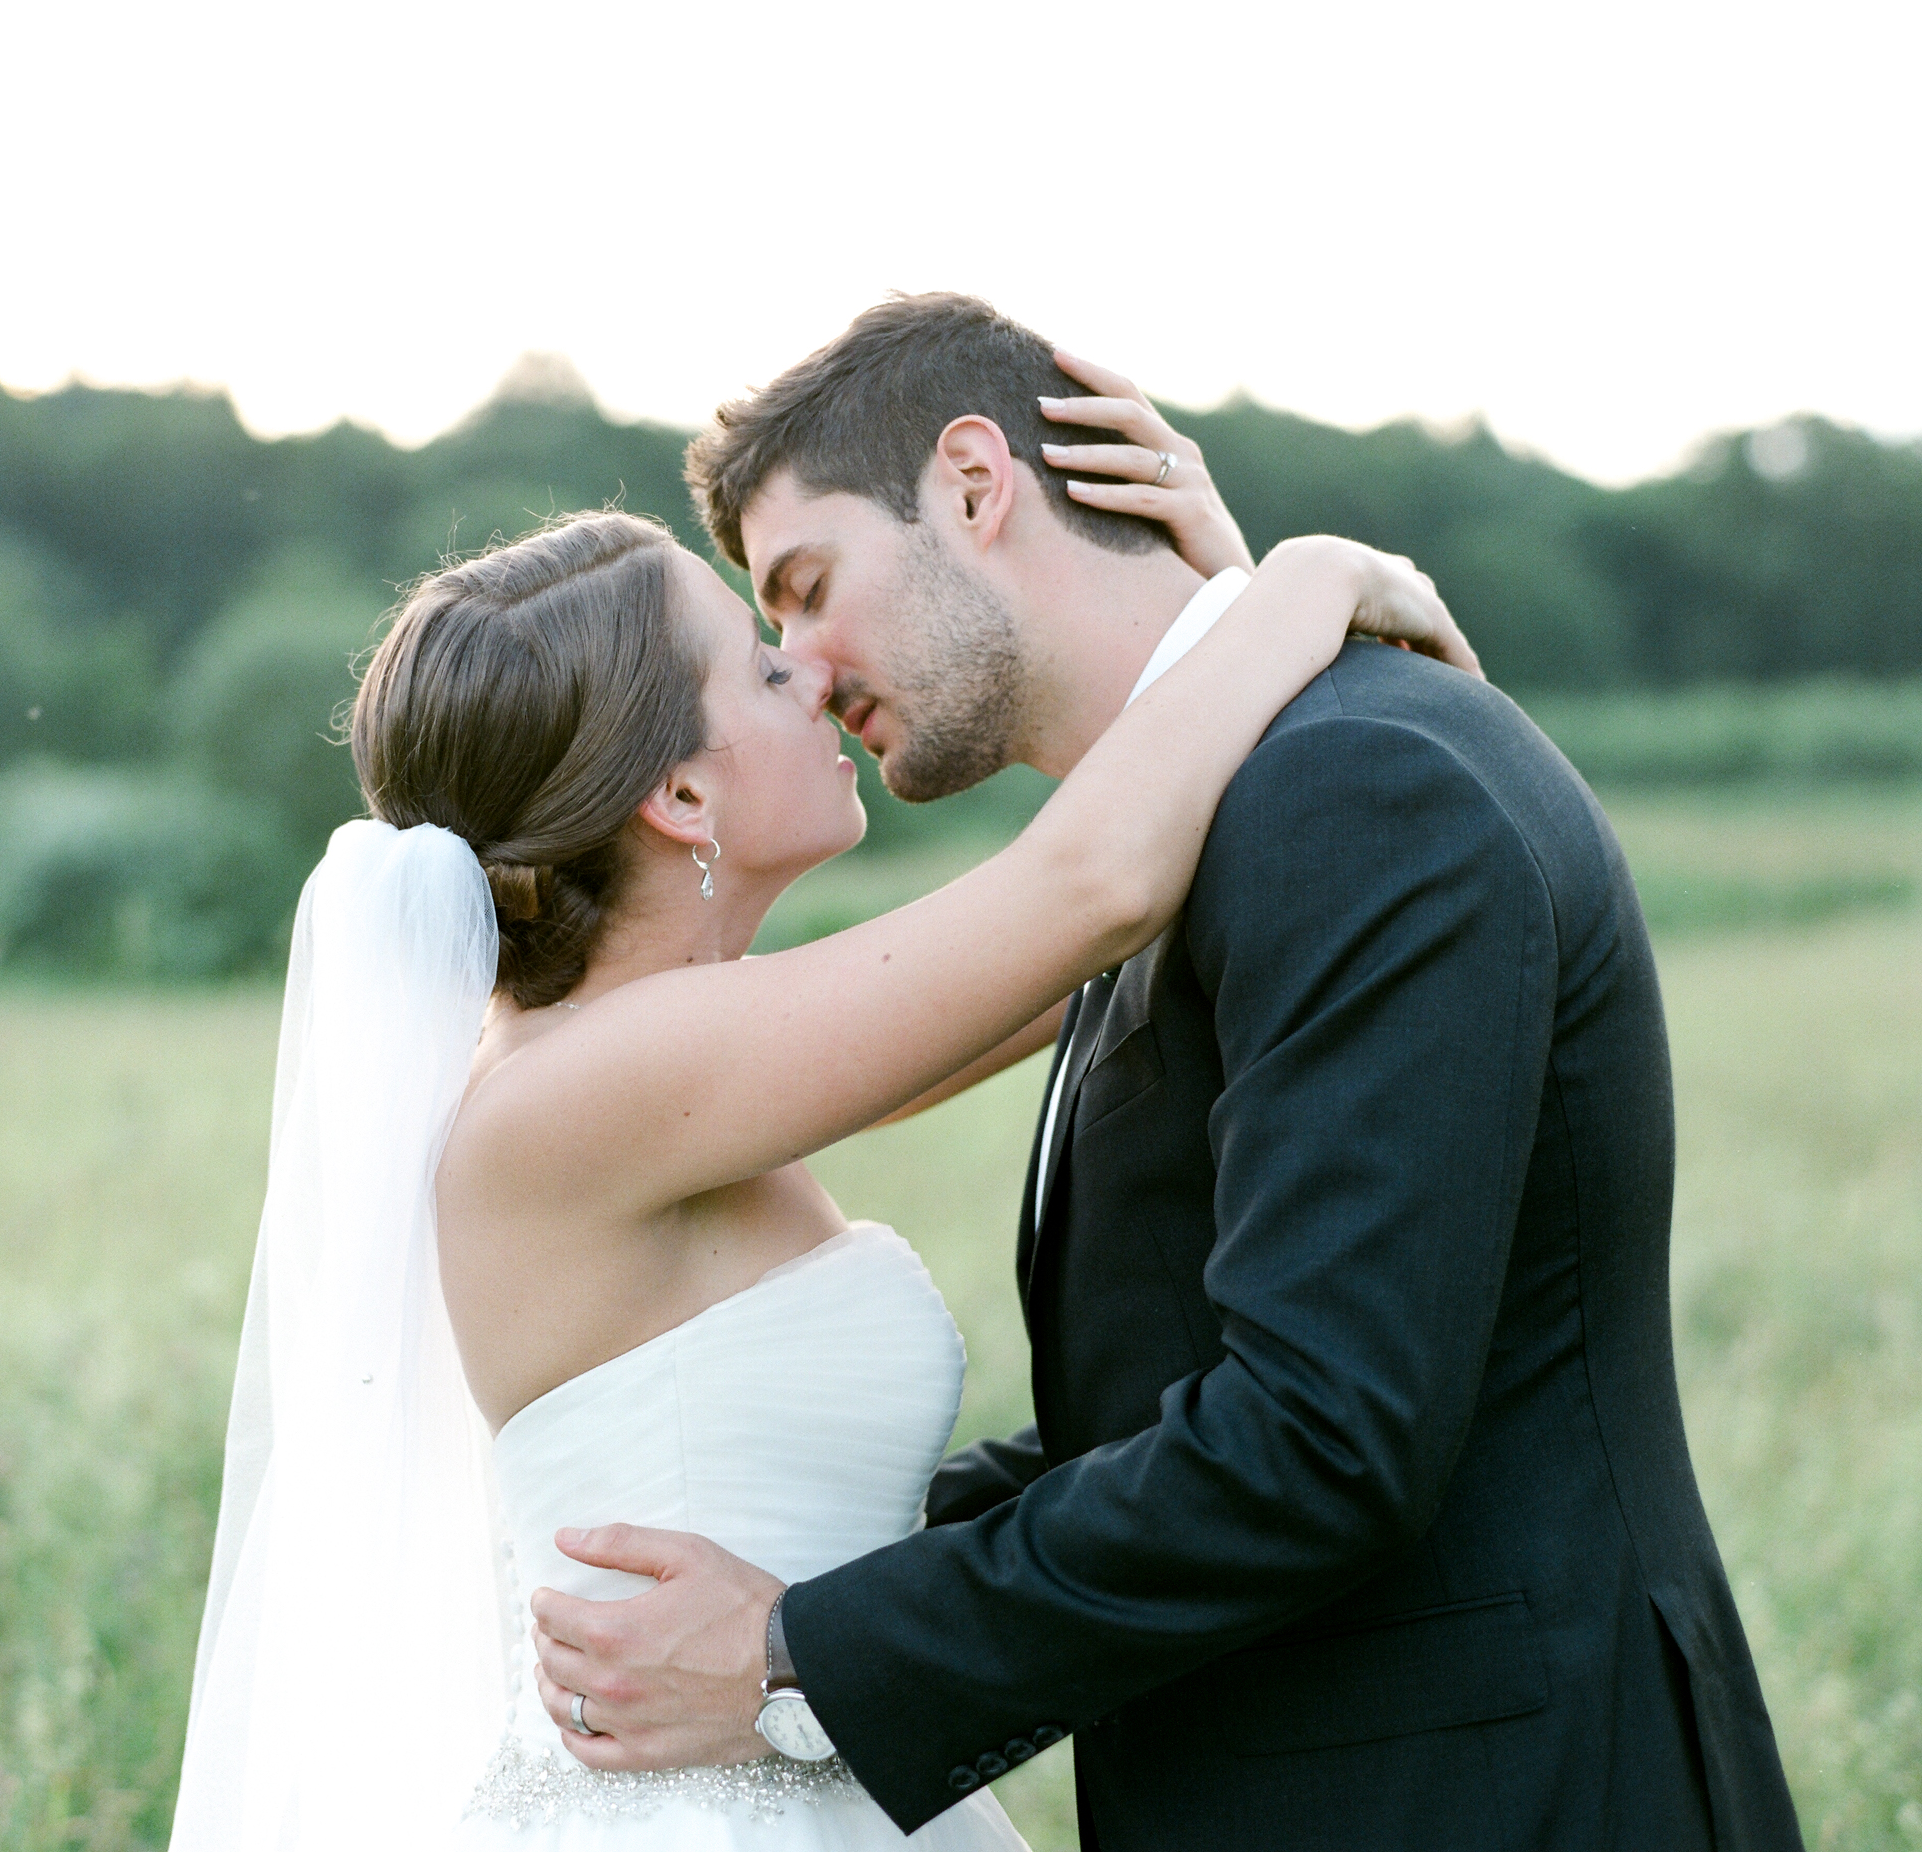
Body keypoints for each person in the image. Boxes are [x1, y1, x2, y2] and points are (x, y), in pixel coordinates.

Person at [163, 326, 1476, 1848]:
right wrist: (1303, 583)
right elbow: (1096, 885)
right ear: (681, 794)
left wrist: (1192, 633)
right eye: (761, 651)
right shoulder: (589, 1086)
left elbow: (1130, 934)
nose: (819, 671)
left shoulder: (681, 1055)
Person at [527, 294, 1807, 1851]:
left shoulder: (1354, 787)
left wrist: (795, 1646)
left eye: (806, 588)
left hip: (1485, 1800)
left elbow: (1322, 1436)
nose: (802, 667)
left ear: (976, 484)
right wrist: (791, 1549)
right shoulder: (1206, 834)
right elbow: (1159, 1404)